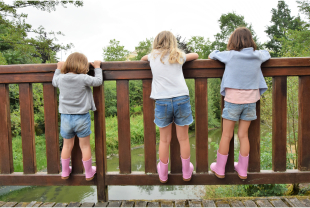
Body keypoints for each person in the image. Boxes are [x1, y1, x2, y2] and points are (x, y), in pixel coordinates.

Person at [209, 27, 270, 179]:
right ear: (250, 40)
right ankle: (242, 170)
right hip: (250, 102)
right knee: (243, 135)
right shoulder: (257, 56)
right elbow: (267, 54)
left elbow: (213, 54)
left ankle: (220, 168)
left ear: (233, 41)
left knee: (226, 135)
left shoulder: (230, 55)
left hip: (232, 101)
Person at [141, 31, 199, 183]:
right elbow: (196, 55)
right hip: (181, 98)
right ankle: (186, 172)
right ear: (173, 42)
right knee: (184, 138)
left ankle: (163, 174)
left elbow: (142, 58)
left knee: (164, 140)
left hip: (162, 101)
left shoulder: (152, 57)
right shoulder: (178, 55)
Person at [52, 52, 102, 181]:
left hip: (66, 118)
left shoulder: (61, 78)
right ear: (82, 66)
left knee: (66, 146)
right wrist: (97, 67)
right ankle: (89, 173)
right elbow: (98, 81)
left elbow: (54, 82)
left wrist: (58, 68)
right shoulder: (83, 78)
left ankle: (64, 172)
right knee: (84, 146)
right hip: (82, 117)